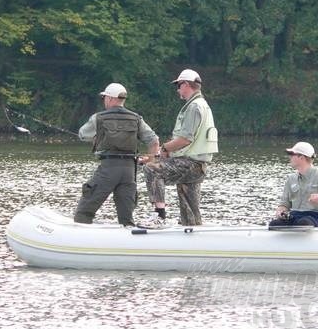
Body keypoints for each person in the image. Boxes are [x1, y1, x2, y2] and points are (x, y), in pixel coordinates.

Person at [74, 83, 159, 226]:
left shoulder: (98, 118)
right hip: (129, 172)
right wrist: (150, 162)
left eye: (105, 97)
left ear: (110, 98)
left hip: (108, 169)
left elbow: (82, 134)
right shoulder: (136, 118)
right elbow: (154, 141)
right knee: (126, 219)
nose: (104, 100)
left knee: (83, 212)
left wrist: (97, 138)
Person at [143, 69, 218, 226]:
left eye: (178, 85)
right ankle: (193, 232)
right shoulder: (203, 105)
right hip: (198, 166)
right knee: (190, 212)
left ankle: (159, 216)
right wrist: (162, 155)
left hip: (191, 164)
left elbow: (184, 139)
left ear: (186, 84)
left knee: (151, 169)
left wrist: (163, 149)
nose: (177, 90)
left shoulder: (194, 107)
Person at [269, 141, 318, 227]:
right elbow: (284, 204)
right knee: (274, 224)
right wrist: (280, 211)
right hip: (295, 217)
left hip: (317, 217)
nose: (289, 157)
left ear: (301, 157)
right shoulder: (291, 179)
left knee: (304, 222)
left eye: (292, 154)